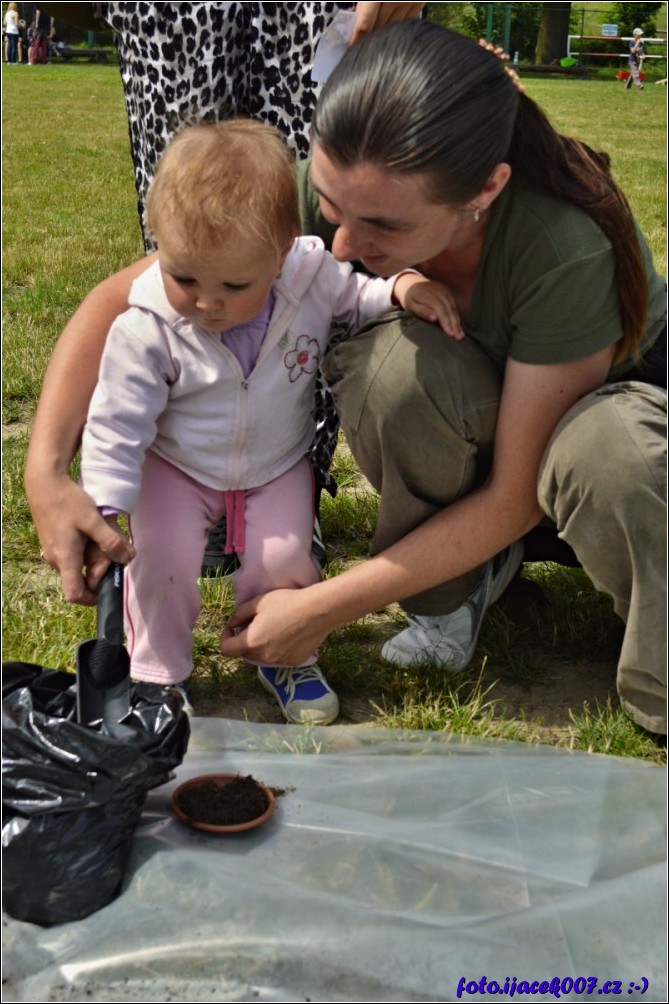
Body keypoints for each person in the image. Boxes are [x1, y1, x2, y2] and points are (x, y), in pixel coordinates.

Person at [24, 23, 666, 736]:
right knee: (394, 371)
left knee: (613, 455)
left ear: (484, 190)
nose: (340, 247)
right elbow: (117, 301)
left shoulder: (560, 248)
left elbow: (516, 493)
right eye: (327, 206)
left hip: (602, 445)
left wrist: (325, 608)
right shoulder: (359, 184)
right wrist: (46, 470)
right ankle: (457, 587)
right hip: (501, 438)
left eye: (382, 227)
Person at [74, 118, 460, 725]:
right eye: (184, 277)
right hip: (176, 468)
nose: (207, 302)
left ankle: (286, 652)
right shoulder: (147, 327)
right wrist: (102, 508)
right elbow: (117, 426)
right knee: (162, 564)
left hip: (276, 465)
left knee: (284, 563)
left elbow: (354, 296)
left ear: (280, 255)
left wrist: (401, 288)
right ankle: (156, 675)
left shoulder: (309, 278)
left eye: (233, 284)